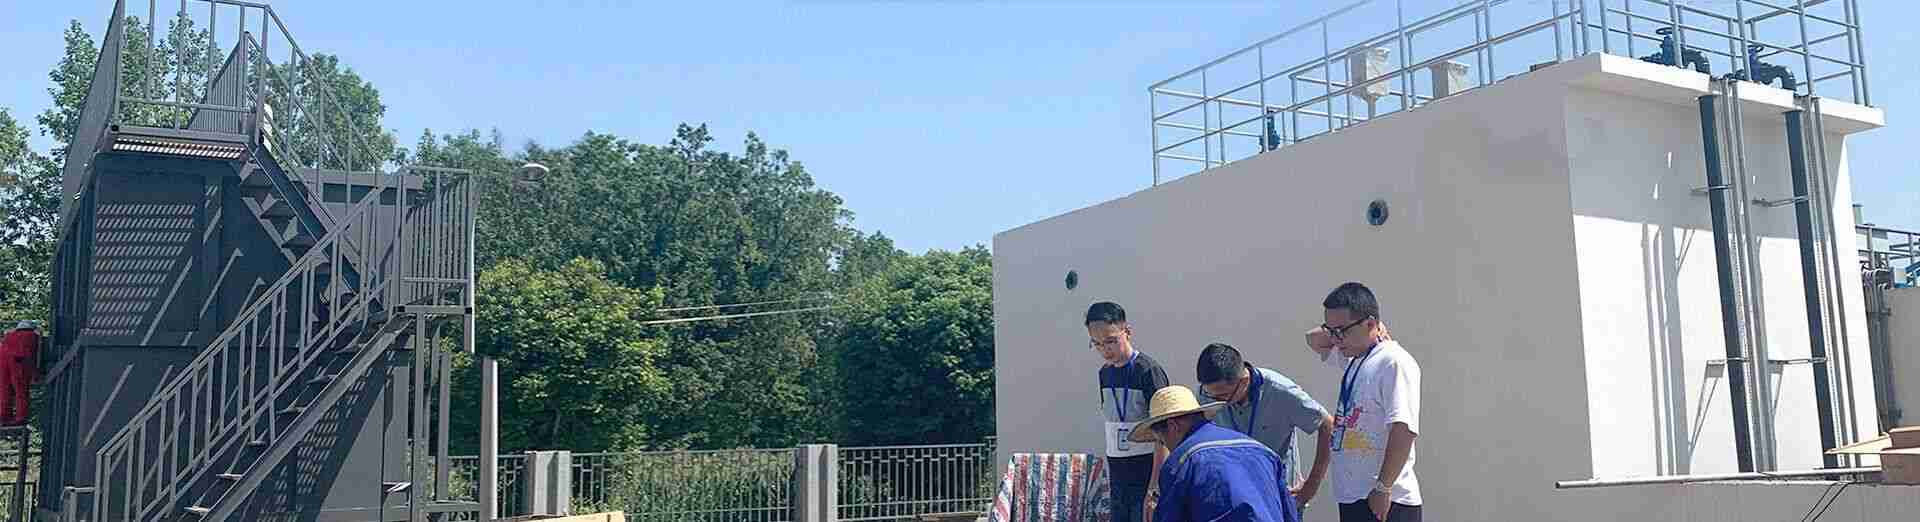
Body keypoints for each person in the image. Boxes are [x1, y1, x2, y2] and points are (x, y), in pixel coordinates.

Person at [1304, 283, 1422, 522]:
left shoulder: (1392, 362)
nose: (1335, 339)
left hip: (1387, 499)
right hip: (1353, 497)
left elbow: (1403, 429)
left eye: (1341, 331)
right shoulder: (1356, 358)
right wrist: (1337, 330)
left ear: (1369, 324)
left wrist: (1384, 487)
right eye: (1331, 330)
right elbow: (1312, 339)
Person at [1195, 343, 1335, 514]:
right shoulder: (1207, 394)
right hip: (1232, 499)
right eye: (1210, 395)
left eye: (1223, 396)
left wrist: (1310, 488)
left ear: (1244, 381)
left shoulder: (1280, 391)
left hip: (1277, 499)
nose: (1216, 401)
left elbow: (1327, 425)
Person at [1128, 386, 1299, 522]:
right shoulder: (1263, 452)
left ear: (1174, 426)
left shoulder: (1180, 463)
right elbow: (1290, 514)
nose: (1167, 448)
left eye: (1162, 441)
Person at [1085, 302, 1173, 522]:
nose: (1105, 350)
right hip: (1118, 478)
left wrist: (1155, 487)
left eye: (1110, 341)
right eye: (1096, 343)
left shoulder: (1148, 371)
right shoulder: (1105, 374)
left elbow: (1166, 432)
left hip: (1146, 475)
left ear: (1128, 332)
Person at [0, 321, 40, 427]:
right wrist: (35, 374)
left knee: (5, 390)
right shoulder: (32, 336)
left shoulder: (8, 336)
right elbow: (32, 356)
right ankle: (21, 417)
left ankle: (4, 417)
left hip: (3, 362)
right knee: (21, 390)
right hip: (18, 361)